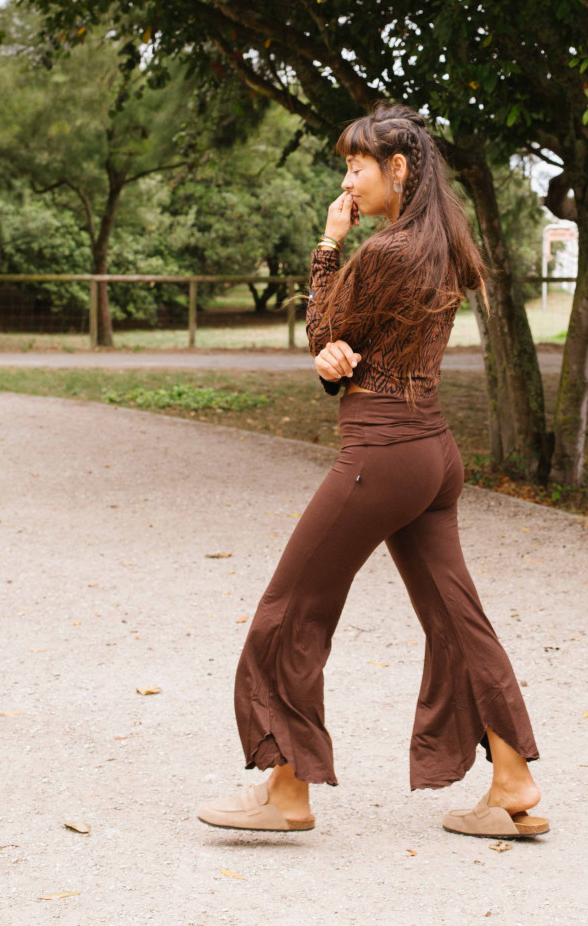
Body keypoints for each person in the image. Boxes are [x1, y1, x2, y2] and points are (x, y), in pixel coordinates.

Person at [197, 103, 548, 840]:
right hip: (431, 454)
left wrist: (328, 246)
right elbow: (355, 346)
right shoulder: (443, 243)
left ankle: (287, 790)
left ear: (398, 168)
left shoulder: (385, 250)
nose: (347, 182)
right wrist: (336, 364)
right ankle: (512, 779)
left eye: (356, 167)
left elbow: (326, 330)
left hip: (383, 453)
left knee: (292, 610)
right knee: (457, 620)